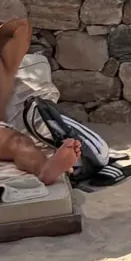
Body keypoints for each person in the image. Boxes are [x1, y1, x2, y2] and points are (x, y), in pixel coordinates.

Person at [0, 17, 80, 183]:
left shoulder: (5, 65)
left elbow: (22, 26)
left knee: (20, 142)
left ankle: (45, 169)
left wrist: (2, 31)